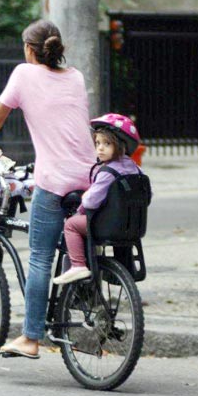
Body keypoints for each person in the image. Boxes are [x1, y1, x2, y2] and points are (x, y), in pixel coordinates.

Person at [0, 20, 95, 359]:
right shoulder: (76, 77)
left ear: (30, 49)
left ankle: (31, 338)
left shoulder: (23, 74)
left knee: (41, 257)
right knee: (74, 244)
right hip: (90, 178)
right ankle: (75, 307)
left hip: (55, 180)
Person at [53, 114, 142, 285]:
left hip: (106, 225)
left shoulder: (107, 172)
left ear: (121, 145)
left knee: (71, 225)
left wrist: (86, 196)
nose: (100, 148)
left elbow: (90, 202)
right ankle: (125, 269)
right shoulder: (135, 169)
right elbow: (147, 195)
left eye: (107, 144)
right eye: (98, 143)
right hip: (131, 225)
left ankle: (78, 266)